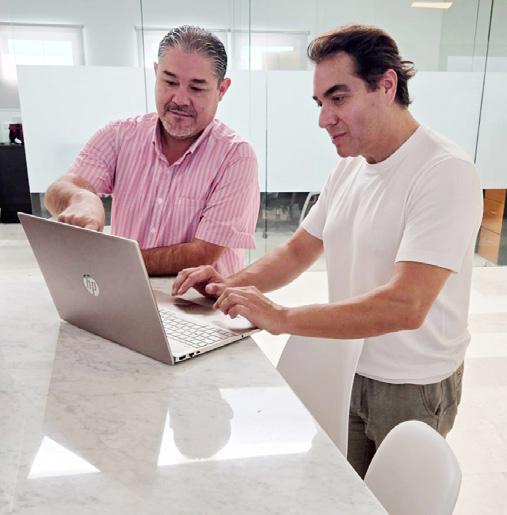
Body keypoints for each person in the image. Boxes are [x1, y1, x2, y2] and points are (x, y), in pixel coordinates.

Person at [172, 24, 483, 478]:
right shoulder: (350, 167)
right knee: (346, 495)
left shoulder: (444, 172)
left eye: (339, 98)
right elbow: (298, 251)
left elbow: (407, 304)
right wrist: (227, 285)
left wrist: (282, 318)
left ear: (387, 85)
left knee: (393, 504)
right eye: (320, 103)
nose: (324, 119)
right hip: (350, 366)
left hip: (413, 386)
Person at [45, 25, 259, 277]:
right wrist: (82, 198)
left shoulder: (236, 157)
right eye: (170, 82)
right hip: (126, 291)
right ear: (156, 73)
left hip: (199, 299)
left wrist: (112, 262)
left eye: (196, 88)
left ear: (221, 90)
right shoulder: (119, 136)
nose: (180, 99)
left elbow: (201, 254)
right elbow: (59, 189)